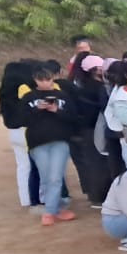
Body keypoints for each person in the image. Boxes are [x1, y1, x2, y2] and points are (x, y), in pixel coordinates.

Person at [22, 65, 78, 225]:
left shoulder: (62, 96)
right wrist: (37, 109)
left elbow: (73, 117)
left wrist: (57, 110)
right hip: (37, 142)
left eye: (48, 79)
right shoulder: (28, 98)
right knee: (46, 177)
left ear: (53, 78)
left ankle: (49, 211)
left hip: (60, 141)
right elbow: (22, 119)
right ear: (35, 80)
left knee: (55, 177)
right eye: (41, 80)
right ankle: (57, 208)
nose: (45, 83)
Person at [68, 54, 111, 206]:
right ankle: (99, 196)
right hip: (95, 129)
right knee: (99, 164)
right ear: (94, 70)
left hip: (85, 129)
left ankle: (94, 195)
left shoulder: (79, 86)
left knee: (92, 163)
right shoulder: (98, 87)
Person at [0, 60, 38, 207]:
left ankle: (25, 199)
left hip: (14, 132)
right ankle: (37, 197)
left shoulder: (5, 94)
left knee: (22, 166)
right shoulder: (26, 92)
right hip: (27, 131)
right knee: (35, 167)